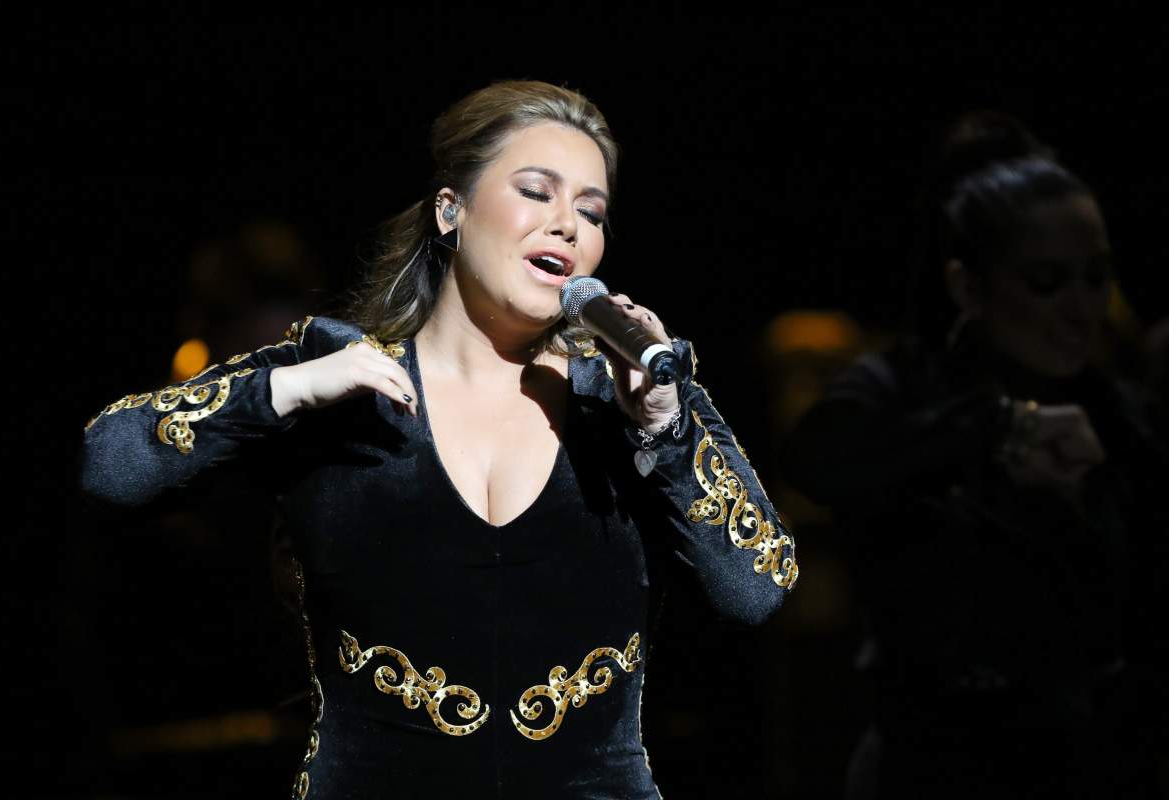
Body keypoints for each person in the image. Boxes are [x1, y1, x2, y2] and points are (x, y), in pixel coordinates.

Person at [78, 80, 799, 800]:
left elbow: (757, 590)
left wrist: (665, 430)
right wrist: (284, 390)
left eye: (591, 211)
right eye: (537, 192)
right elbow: (108, 465)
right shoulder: (339, 376)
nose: (568, 226)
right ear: (451, 210)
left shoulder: (629, 397)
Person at [782, 112, 1167, 799]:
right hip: (934, 773)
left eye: (1096, 277)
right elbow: (816, 461)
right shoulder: (902, 390)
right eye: (1046, 281)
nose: (1081, 307)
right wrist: (1005, 426)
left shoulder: (1117, 410)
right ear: (968, 287)